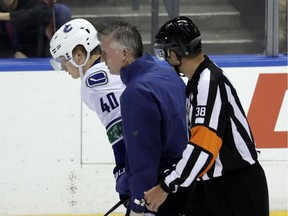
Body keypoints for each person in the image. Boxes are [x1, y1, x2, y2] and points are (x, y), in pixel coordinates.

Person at [144, 16, 269, 216]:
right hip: (212, 185)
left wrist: (167, 186)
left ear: (175, 53)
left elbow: (203, 147)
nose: (166, 60)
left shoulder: (209, 83)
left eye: (165, 53)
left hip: (237, 189)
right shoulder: (198, 83)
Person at [99, 20, 189, 216]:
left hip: (158, 197)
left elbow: (143, 157)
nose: (102, 60)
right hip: (182, 185)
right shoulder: (165, 71)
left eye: (106, 54)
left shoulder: (137, 93)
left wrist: (139, 206)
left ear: (124, 54)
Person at [49, 18, 128, 212]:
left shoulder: (93, 82)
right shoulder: (113, 66)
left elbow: (121, 130)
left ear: (78, 54)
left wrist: (125, 171)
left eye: (63, 60)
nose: (63, 67)